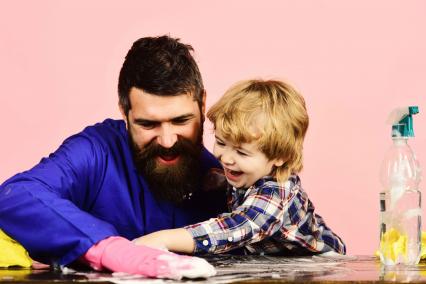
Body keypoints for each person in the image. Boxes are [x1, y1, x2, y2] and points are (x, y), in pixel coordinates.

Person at [0, 35, 227, 279]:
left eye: (181, 121)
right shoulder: (97, 151)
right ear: (125, 112)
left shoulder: (231, 169)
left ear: (202, 105)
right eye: (148, 124)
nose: (167, 140)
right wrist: (109, 249)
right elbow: (17, 195)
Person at [134, 79, 346, 256]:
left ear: (280, 156)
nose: (225, 158)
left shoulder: (278, 192)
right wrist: (221, 181)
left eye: (242, 153)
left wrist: (163, 238)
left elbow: (237, 227)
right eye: (221, 142)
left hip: (323, 266)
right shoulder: (252, 174)